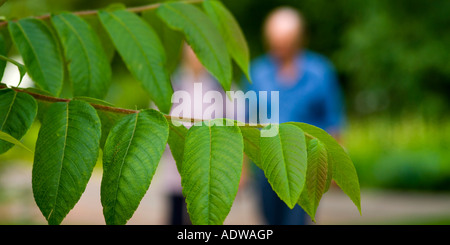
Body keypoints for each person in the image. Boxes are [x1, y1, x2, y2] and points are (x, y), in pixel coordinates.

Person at [245, 7, 346, 225]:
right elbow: (245, 122)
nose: (279, 47)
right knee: (269, 219)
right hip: (265, 165)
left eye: (285, 41)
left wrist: (336, 168)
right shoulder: (257, 72)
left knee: (296, 220)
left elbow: (333, 120)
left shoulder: (320, 71)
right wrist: (242, 170)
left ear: (299, 39)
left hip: (305, 164)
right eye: (275, 41)